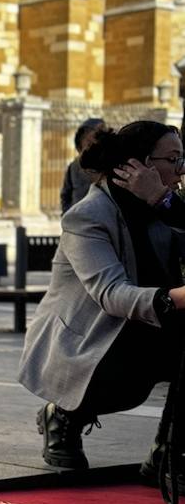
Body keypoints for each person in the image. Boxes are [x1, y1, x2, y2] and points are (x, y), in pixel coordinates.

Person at [20, 121, 185, 473]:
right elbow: (112, 295)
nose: (181, 170)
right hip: (91, 341)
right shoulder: (87, 217)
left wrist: (162, 199)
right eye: (173, 159)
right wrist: (180, 298)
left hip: (144, 327)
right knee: (123, 377)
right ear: (136, 165)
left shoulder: (162, 210)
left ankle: (168, 453)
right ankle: (62, 415)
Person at [60, 118, 107, 215]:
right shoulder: (73, 166)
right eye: (88, 141)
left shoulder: (109, 164)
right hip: (77, 217)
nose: (92, 144)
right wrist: (67, 213)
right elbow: (66, 194)